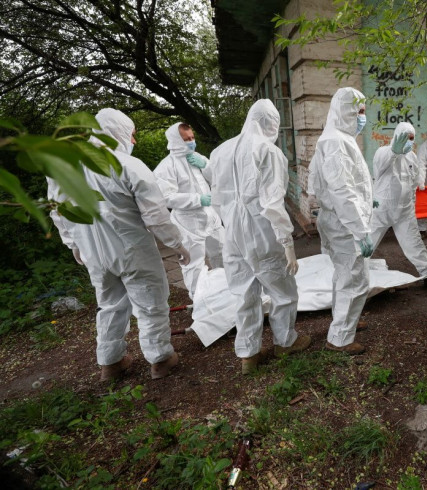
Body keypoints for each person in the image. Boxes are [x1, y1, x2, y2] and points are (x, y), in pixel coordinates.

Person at [47, 108, 189, 381]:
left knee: (110, 304)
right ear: (118, 132)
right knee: (150, 303)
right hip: (132, 250)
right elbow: (156, 215)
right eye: (132, 134)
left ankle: (111, 364)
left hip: (94, 254)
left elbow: (58, 211)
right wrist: (177, 244)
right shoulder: (128, 165)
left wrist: (73, 244)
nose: (133, 141)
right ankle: (161, 359)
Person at [211, 99, 310, 374]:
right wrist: (287, 243)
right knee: (283, 291)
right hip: (263, 233)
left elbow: (217, 199)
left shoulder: (221, 151)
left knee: (244, 294)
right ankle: (285, 342)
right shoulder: (268, 151)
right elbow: (272, 204)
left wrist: (230, 224)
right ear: (269, 123)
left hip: (232, 235)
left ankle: (248, 355)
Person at [307, 87, 374, 355]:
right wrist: (360, 230)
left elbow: (320, 182)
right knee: (356, 280)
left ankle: (344, 321)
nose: (362, 118)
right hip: (344, 224)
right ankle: (340, 338)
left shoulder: (333, 138)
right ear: (346, 111)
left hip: (337, 220)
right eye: (359, 112)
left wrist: (370, 201)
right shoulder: (336, 142)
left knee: (344, 275)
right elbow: (342, 191)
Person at [154, 122, 224, 299]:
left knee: (224, 252)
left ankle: (226, 292)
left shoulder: (197, 157)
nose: (191, 142)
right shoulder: (166, 166)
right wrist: (196, 200)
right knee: (194, 265)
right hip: (188, 223)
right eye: (186, 139)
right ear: (176, 141)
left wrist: (205, 165)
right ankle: (200, 302)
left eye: (192, 138)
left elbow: (217, 177)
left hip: (211, 217)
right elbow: (165, 196)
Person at [369, 122, 427, 288]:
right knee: (369, 240)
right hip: (382, 208)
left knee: (414, 242)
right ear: (397, 137)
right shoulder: (383, 152)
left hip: (404, 210)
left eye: (412, 138)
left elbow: (412, 182)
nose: (410, 142)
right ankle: (351, 272)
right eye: (406, 138)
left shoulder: (412, 157)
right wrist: (393, 152)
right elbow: (379, 168)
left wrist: (412, 203)